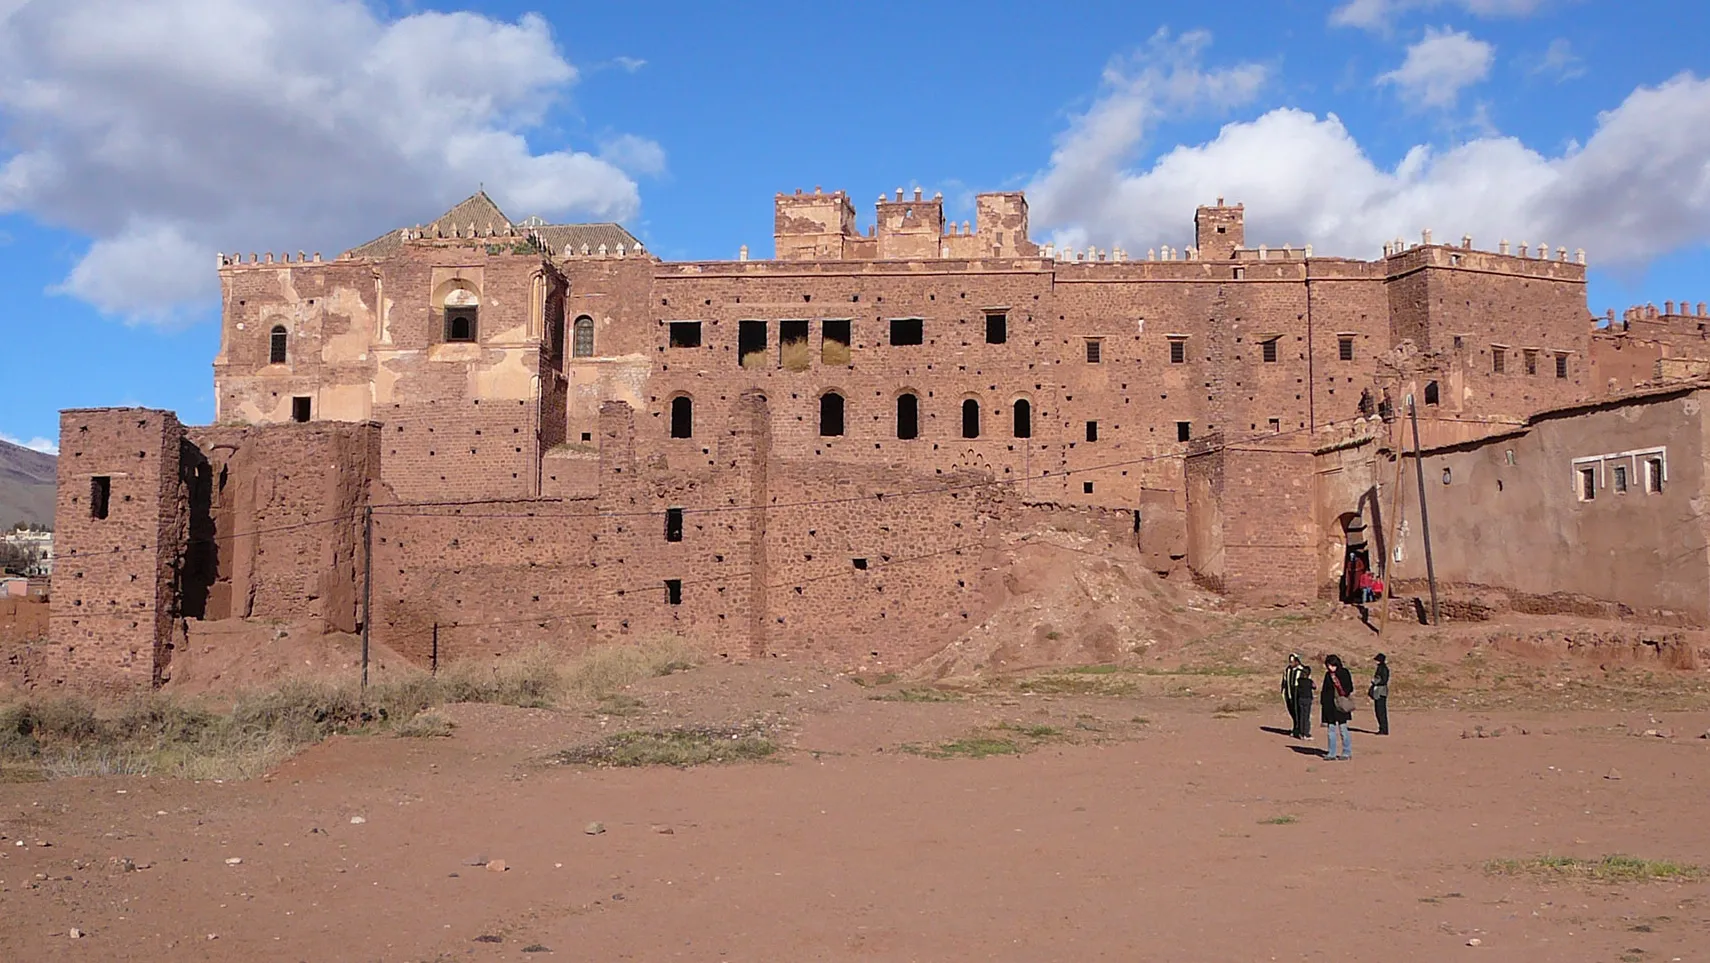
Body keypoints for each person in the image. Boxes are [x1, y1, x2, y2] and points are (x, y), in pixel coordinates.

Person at [1321, 654, 1354, 760]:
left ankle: (1346, 752)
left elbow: (1349, 687)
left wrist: (1341, 694)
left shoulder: (1344, 673)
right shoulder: (1327, 675)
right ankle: (1331, 753)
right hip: (1330, 706)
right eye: (1328, 665)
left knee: (1343, 728)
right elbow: (1324, 691)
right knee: (1331, 730)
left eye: (1331, 665)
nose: (1330, 667)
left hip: (1340, 705)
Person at [1281, 654, 1312, 738]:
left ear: (1297, 661)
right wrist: (1283, 691)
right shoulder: (1287, 670)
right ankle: (1296, 728)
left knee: (1300, 713)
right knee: (1292, 712)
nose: (1290, 663)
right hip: (1289, 694)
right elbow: (1284, 681)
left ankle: (1302, 730)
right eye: (1290, 662)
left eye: (1292, 661)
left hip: (1299, 694)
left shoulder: (1303, 670)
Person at [1369, 653, 1391, 736]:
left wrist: (1375, 681)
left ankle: (1383, 729)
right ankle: (1382, 728)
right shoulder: (1381, 668)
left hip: (1381, 692)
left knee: (1381, 711)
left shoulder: (1383, 669)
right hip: (1379, 691)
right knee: (1378, 711)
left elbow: (1384, 680)